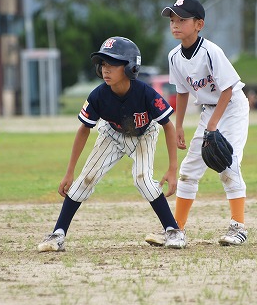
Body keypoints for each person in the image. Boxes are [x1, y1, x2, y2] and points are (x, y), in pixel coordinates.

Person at [37, 36, 186, 252]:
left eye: (113, 64)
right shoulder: (98, 96)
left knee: (143, 179)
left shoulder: (145, 93)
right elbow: (84, 130)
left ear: (131, 67)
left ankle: (173, 231)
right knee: (85, 179)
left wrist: (173, 168)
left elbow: (168, 125)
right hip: (111, 135)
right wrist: (69, 172)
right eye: (103, 64)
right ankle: (58, 234)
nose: (106, 69)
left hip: (144, 135)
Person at [145, 0, 250, 248]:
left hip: (232, 107)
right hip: (209, 111)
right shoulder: (174, 56)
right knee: (189, 171)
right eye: (172, 20)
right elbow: (182, 91)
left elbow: (227, 90)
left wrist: (212, 126)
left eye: (182, 19)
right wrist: (179, 125)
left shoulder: (210, 52)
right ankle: (177, 230)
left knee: (227, 163)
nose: (175, 24)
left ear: (199, 24)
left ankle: (239, 227)